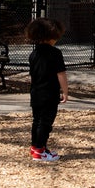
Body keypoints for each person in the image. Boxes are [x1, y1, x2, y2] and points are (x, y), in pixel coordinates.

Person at [26, 16, 69, 162]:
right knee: (45, 122)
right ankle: (40, 151)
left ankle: (36, 147)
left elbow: (32, 75)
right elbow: (61, 74)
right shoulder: (55, 53)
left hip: (36, 93)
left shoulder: (33, 54)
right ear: (52, 36)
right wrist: (65, 91)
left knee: (37, 120)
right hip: (49, 93)